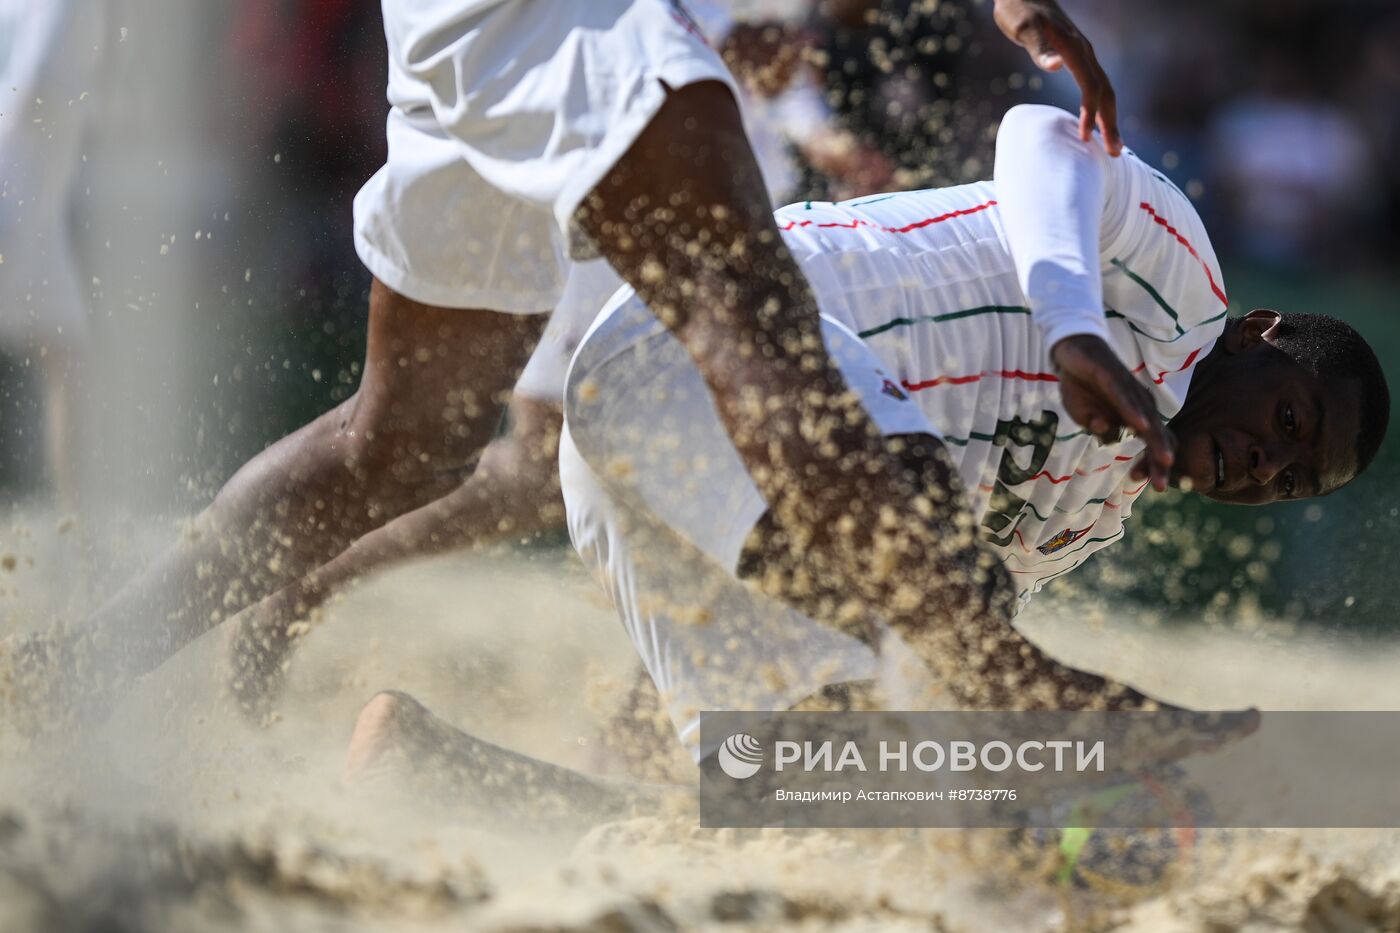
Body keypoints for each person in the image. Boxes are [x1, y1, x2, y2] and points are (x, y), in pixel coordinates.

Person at [14, 0, 1132, 711]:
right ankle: (981, 669)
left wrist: (812, 114)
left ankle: (68, 675)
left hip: (521, 57)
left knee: (406, 444)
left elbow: (772, 63)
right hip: (581, 55)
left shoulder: (786, 35)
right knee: (724, 345)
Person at [336, 102, 1385, 808]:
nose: (1262, 466)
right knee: (930, 576)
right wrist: (1068, 318)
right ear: (1257, 334)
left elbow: (917, 625)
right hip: (708, 341)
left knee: (809, 791)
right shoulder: (1177, 278)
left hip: (671, 473)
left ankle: (430, 774)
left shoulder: (1092, 512)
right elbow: (1037, 134)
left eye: (1289, 482)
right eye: (1287, 424)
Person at [221, 0, 900, 714]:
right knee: (554, 464)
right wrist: (746, 53)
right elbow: (693, 32)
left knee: (705, 449)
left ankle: (656, 728)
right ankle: (312, 571)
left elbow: (768, 48)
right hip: (610, 153)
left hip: (683, 160)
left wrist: (818, 130)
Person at [0, 0, 105, 506]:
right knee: (69, 364)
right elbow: (30, 94)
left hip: (29, 205)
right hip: (13, 200)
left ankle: (83, 530)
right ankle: (84, 532)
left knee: (69, 362)